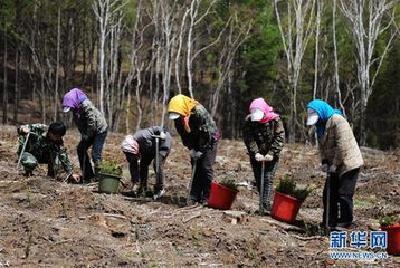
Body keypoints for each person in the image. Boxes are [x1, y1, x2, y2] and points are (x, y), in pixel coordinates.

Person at [306, 99, 363, 229]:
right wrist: (325, 162)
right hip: (333, 165)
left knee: (344, 194)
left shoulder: (338, 120)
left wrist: (335, 164)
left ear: (321, 112)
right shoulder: (320, 125)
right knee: (329, 194)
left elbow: (342, 145)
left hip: (349, 163)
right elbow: (322, 147)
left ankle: (344, 223)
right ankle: (328, 222)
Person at [168, 94, 219, 206]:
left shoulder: (199, 112)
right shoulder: (178, 117)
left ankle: (206, 197)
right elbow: (183, 134)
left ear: (183, 109)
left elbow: (207, 133)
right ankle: (194, 196)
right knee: (195, 167)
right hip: (195, 139)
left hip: (209, 139)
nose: (177, 118)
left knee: (205, 167)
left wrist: (201, 149)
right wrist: (191, 148)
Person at [243, 98, 285, 214]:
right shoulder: (249, 121)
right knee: (259, 178)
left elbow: (280, 137)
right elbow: (249, 138)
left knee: (268, 178)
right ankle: (262, 204)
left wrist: (272, 153)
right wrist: (255, 152)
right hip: (256, 155)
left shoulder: (275, 120)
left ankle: (266, 207)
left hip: (271, 154)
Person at [62, 88, 108, 182]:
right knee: (81, 149)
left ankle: (100, 179)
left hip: (99, 130)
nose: (70, 109)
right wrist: (83, 133)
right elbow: (79, 123)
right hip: (88, 132)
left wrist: (88, 134)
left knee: (96, 154)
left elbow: (92, 121)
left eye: (70, 107)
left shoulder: (86, 105)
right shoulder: (75, 108)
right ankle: (88, 175)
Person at [121, 126, 171, 199]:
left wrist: (162, 132)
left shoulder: (142, 135)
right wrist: (135, 183)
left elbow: (158, 128)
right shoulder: (130, 149)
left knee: (157, 163)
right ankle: (142, 188)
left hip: (163, 142)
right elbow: (133, 165)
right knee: (143, 164)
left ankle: (159, 188)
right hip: (150, 147)